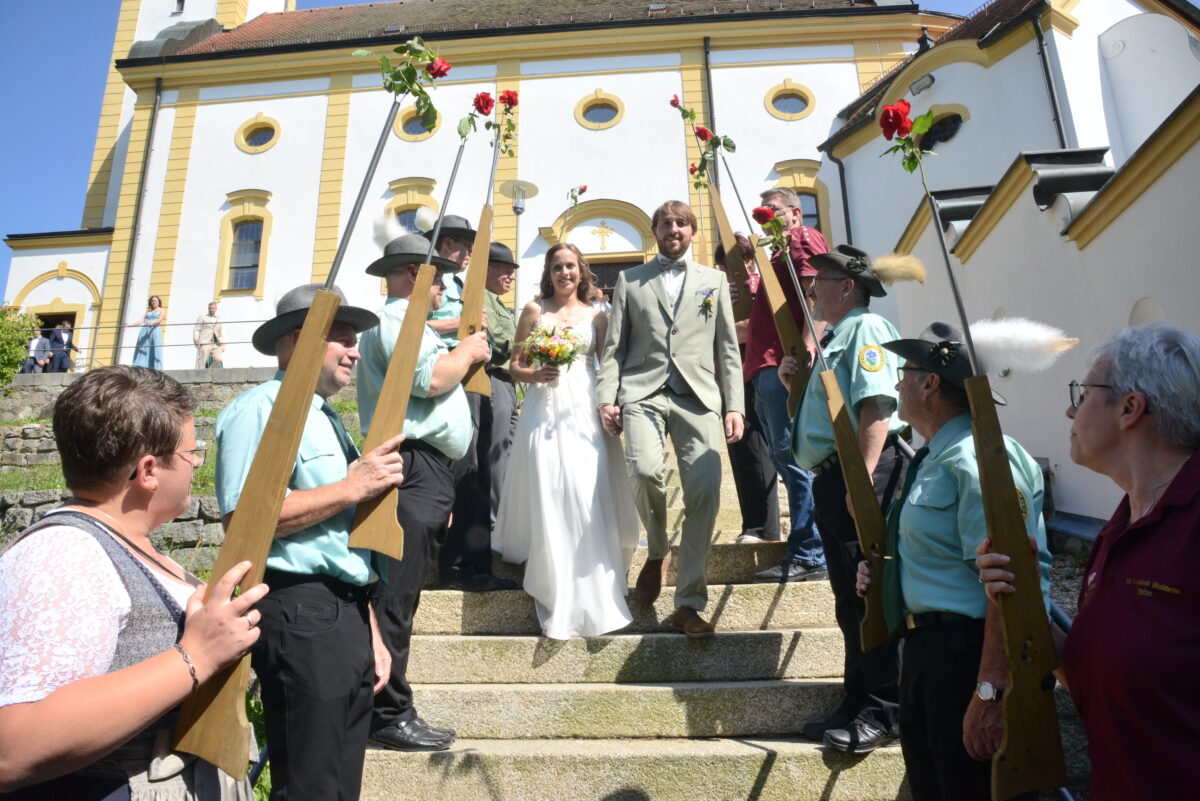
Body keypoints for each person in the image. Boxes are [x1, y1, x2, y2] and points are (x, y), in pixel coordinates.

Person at [0, 365, 266, 799]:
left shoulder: (123, 543)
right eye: (190, 454)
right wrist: (195, 655)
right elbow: (12, 746)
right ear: (147, 471)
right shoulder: (66, 553)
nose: (197, 465)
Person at [976, 321, 1200, 801]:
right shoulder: (1119, 525)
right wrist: (1020, 597)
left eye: (1082, 393)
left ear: (1130, 407)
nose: (1069, 409)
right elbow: (1098, 668)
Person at [216, 284, 405, 800]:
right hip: (298, 611)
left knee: (339, 786)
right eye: (343, 338)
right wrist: (351, 486)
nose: (356, 351)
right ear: (299, 342)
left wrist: (369, 630)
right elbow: (245, 520)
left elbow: (340, 544)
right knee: (310, 786)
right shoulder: (261, 409)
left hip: (342, 612)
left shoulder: (323, 417)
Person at [855, 321, 1053, 800]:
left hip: (969, 656)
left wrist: (990, 690)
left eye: (904, 372)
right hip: (926, 654)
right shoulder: (936, 456)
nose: (896, 383)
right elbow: (940, 552)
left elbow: (1009, 586)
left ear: (930, 383)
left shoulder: (979, 458)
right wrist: (887, 572)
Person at [356, 233, 490, 752]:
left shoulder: (404, 322)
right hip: (413, 465)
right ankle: (387, 713)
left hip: (426, 469)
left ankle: (389, 708)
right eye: (439, 279)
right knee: (395, 595)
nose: (445, 290)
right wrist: (468, 349)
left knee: (403, 591)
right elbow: (429, 380)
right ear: (417, 273)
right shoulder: (396, 321)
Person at [782, 244, 911, 752]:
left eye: (821, 279)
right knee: (847, 600)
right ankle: (856, 699)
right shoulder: (838, 335)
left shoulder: (865, 330)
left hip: (864, 472)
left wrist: (862, 481)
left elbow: (877, 408)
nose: (811, 288)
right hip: (838, 476)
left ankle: (884, 709)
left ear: (847, 288)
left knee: (868, 593)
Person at [597, 200, 745, 638]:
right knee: (643, 470)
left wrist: (734, 404)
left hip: (698, 396)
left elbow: (728, 350)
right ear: (655, 231)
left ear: (692, 232)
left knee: (704, 493)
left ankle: (689, 604)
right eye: (665, 223)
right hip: (642, 391)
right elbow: (615, 349)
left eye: (681, 223)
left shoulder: (713, 281)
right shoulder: (629, 279)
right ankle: (658, 548)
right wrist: (607, 397)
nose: (673, 229)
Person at [494, 243, 641, 640]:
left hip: (584, 409)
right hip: (543, 411)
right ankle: (553, 582)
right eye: (557, 266)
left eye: (571, 266)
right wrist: (533, 374)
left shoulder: (598, 315)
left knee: (583, 487)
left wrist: (612, 407)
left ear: (582, 271)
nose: (565, 273)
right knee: (550, 486)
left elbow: (609, 367)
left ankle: (595, 576)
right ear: (549, 271)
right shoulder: (533, 310)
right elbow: (515, 366)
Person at [744, 187, 827, 581]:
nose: (765, 215)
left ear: (795, 213)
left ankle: (810, 551)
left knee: (794, 458)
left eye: (772, 209)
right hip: (765, 367)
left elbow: (818, 296)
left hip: (784, 365)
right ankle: (808, 545)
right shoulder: (777, 252)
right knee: (783, 457)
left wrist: (808, 347)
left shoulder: (802, 237)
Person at [419, 215, 505, 591]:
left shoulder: (466, 283)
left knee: (479, 470)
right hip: (449, 373)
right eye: (460, 243)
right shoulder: (428, 280)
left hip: (476, 375)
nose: (469, 251)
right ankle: (450, 562)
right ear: (442, 244)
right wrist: (459, 323)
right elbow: (409, 323)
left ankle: (477, 563)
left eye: (470, 244)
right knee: (462, 468)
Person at [716, 235, 780, 543]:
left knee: (758, 450)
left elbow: (752, 329)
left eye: (736, 262)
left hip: (759, 373)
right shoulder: (717, 292)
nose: (730, 270)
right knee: (741, 452)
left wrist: (722, 320)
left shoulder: (760, 286)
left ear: (750, 261)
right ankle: (752, 523)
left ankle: (764, 527)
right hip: (731, 380)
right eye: (724, 265)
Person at [480, 242, 521, 528]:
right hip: (493, 378)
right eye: (507, 270)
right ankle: (495, 519)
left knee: (512, 446)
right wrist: (526, 340)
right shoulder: (481, 298)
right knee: (497, 451)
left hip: (508, 382)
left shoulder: (496, 301)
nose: (512, 277)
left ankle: (505, 510)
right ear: (488, 269)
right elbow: (493, 337)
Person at [129, 296, 166, 369]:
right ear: (150, 303)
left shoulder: (161, 310)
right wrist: (131, 325)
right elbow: (141, 321)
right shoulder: (148, 312)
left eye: (156, 301)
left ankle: (155, 365)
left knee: (155, 345)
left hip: (154, 329)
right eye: (152, 301)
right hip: (145, 329)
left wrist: (153, 323)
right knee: (143, 346)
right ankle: (141, 365)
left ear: (158, 302)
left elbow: (160, 319)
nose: (154, 302)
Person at [193, 303, 225, 369]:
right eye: (209, 308)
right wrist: (195, 338)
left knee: (218, 359)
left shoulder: (219, 319)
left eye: (212, 308)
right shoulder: (202, 317)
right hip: (205, 342)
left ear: (216, 309)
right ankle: (200, 375)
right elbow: (197, 328)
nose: (211, 310)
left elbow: (220, 333)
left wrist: (222, 344)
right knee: (202, 362)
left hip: (215, 343)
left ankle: (209, 371)